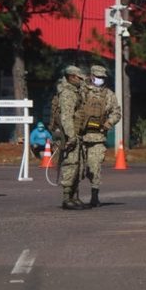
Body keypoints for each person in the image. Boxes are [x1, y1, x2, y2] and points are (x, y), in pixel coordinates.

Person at [78, 65, 121, 207]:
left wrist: (108, 124)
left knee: (94, 167)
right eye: (98, 77)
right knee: (77, 167)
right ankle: (72, 196)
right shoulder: (82, 91)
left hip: (97, 137)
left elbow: (116, 112)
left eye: (103, 77)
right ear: (91, 76)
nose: (100, 80)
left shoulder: (109, 95)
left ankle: (94, 196)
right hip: (80, 137)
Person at [57, 65, 88, 210]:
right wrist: (71, 136)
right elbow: (66, 117)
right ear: (71, 77)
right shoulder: (67, 93)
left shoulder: (76, 92)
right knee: (71, 164)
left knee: (78, 165)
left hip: (78, 134)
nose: (81, 80)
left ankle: (75, 196)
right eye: (79, 77)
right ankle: (66, 198)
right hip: (70, 135)